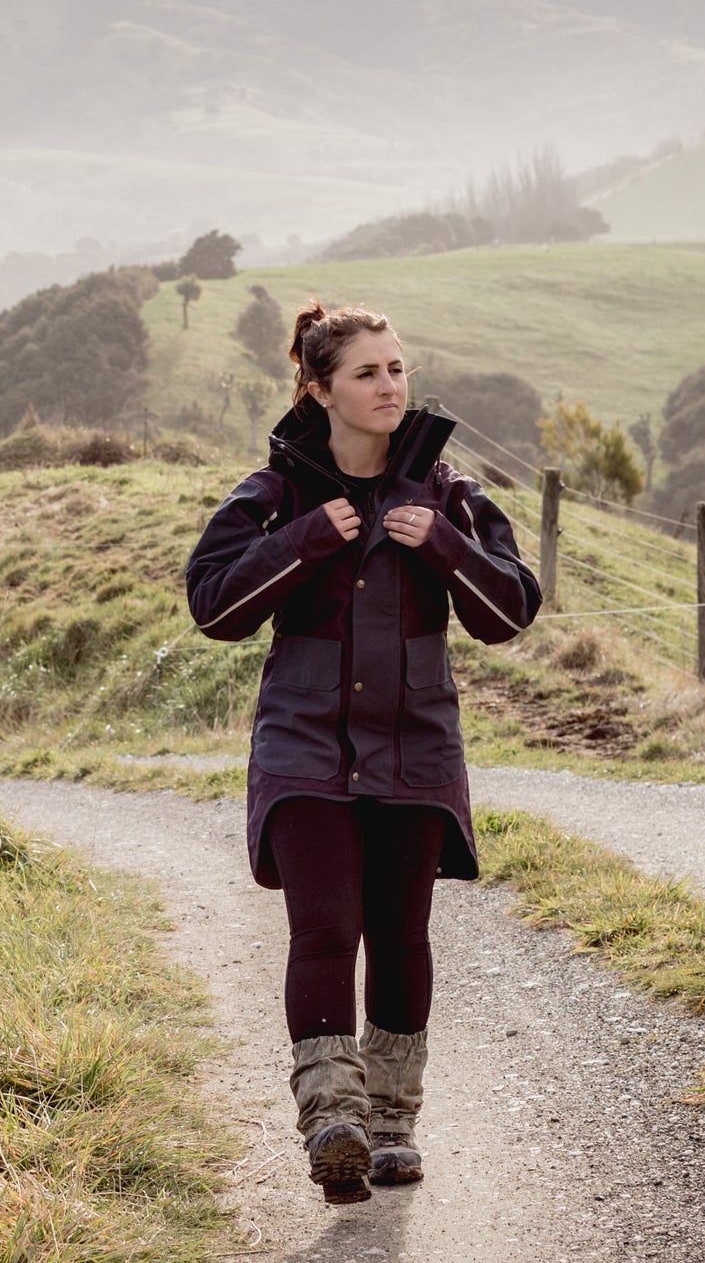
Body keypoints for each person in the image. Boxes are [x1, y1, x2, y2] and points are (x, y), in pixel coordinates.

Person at [185, 301, 541, 1205]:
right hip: (303, 745)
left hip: (415, 743)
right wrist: (308, 538)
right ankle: (331, 1117)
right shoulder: (273, 494)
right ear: (318, 388)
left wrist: (446, 547)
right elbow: (215, 608)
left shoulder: (450, 493)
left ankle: (392, 1122)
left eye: (396, 368)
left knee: (400, 933)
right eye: (366, 373)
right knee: (325, 928)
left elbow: (508, 614)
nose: (389, 386)